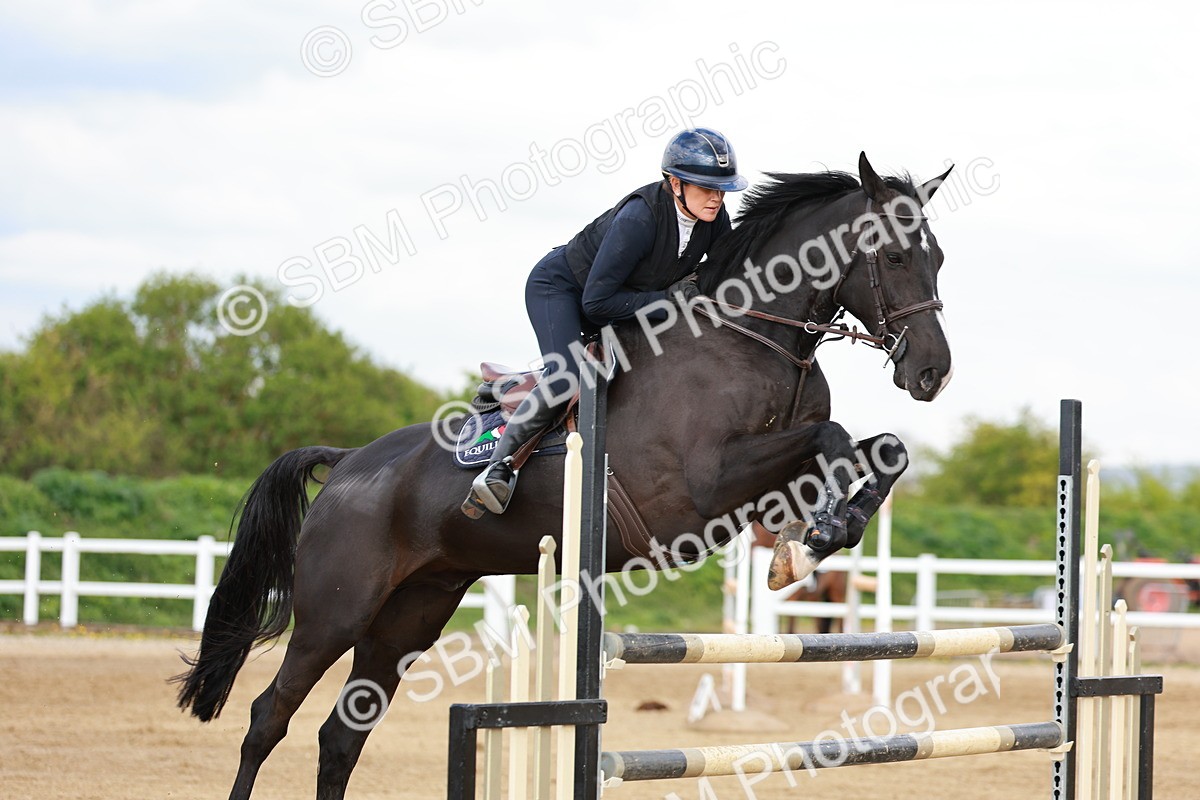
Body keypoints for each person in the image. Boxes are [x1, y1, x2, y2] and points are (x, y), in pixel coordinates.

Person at [462, 127, 749, 518]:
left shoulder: (715, 221)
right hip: (563, 291)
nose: (717, 198)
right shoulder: (639, 219)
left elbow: (718, 281)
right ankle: (499, 466)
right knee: (567, 376)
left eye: (722, 189)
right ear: (675, 183)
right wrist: (671, 298)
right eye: (706, 188)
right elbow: (596, 305)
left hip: (624, 299)